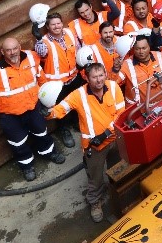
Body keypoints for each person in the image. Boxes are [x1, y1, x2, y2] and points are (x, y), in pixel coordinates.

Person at [0, 37, 65, 181]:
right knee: (18, 143)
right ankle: (27, 166)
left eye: (15, 48)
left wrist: (46, 102)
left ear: (20, 47)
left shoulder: (32, 57)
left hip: (33, 109)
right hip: (10, 116)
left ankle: (49, 153)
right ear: (2, 52)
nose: (12, 52)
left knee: (42, 134)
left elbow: (42, 79)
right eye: (8, 50)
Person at [49, 62, 125, 222]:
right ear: (87, 79)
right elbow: (61, 109)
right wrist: (48, 113)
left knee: (117, 169)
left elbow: (120, 114)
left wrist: (106, 133)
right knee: (95, 179)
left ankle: (118, 191)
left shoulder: (113, 87)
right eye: (94, 77)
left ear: (105, 74)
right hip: (94, 147)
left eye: (101, 75)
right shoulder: (78, 95)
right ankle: (95, 202)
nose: (98, 80)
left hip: (115, 140)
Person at [34, 12, 81, 149]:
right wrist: (38, 39)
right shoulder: (44, 41)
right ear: (47, 27)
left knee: (76, 103)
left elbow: (77, 49)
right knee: (60, 109)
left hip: (74, 78)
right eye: (53, 24)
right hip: (57, 85)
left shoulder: (69, 33)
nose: (57, 26)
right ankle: (64, 130)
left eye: (58, 23)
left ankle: (76, 122)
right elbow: (42, 53)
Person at [117, 32, 162, 108]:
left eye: (144, 48)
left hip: (160, 105)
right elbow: (115, 83)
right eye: (137, 49)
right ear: (133, 49)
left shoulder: (161, 57)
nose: (141, 52)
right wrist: (115, 69)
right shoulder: (126, 65)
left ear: (149, 47)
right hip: (137, 112)